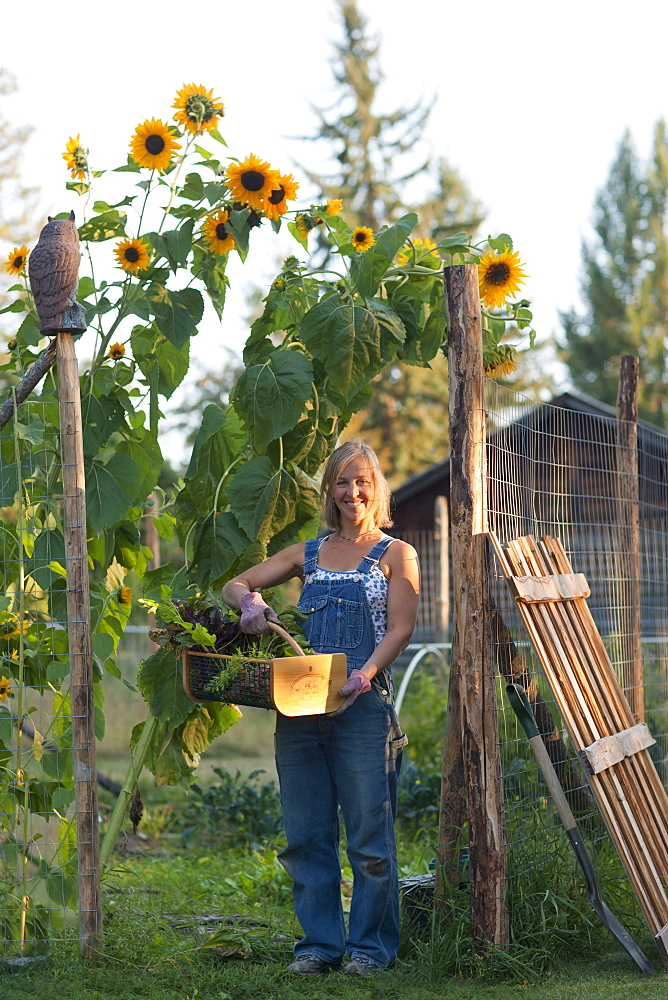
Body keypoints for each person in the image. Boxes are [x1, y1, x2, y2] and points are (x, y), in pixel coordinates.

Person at [222, 440, 420, 977]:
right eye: (341, 482)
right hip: (300, 709)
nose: (352, 492)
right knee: (307, 835)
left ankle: (369, 950)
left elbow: (402, 627)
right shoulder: (306, 554)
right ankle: (318, 946)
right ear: (329, 491)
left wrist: (366, 674)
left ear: (376, 489)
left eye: (362, 482)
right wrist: (250, 604)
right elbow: (234, 582)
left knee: (369, 838)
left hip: (361, 707)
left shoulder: (396, 554)